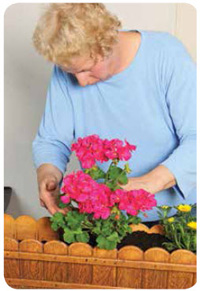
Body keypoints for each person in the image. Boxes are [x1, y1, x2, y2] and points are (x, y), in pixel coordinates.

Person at [32, 3, 196, 222]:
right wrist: (48, 173)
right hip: (108, 219)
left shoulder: (166, 56)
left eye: (85, 69)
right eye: (71, 72)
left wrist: (148, 183)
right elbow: (52, 139)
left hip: (180, 218)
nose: (80, 82)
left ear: (105, 45)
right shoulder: (67, 73)